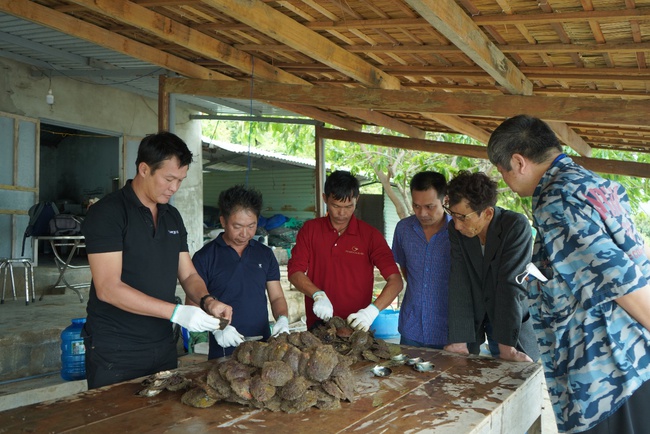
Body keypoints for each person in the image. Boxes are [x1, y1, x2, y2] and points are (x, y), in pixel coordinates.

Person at [487, 114, 650, 434]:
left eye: (502, 170)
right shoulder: (589, 183)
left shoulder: (556, 199)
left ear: (519, 162)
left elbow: (622, 283)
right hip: (632, 359)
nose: (504, 179)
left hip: (603, 378)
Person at [81, 131, 233, 389]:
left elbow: (188, 275)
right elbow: (108, 288)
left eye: (180, 180)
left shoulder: (171, 216)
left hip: (162, 343)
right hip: (117, 348)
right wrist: (176, 312)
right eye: (168, 178)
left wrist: (208, 301)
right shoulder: (107, 213)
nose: (174, 187)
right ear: (144, 169)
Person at [443, 171, 540, 363]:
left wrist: (506, 346)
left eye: (463, 217)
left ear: (487, 213)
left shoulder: (515, 226)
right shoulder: (457, 231)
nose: (456, 225)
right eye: (452, 215)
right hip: (474, 318)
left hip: (509, 319)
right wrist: (459, 339)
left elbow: (510, 284)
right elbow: (459, 279)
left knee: (515, 381)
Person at [288, 170, 403, 331]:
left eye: (349, 206)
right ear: (325, 199)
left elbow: (396, 281)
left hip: (357, 326)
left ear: (357, 200)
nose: (342, 213)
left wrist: (371, 312)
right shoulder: (310, 230)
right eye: (336, 206)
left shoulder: (370, 236)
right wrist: (317, 295)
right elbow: (295, 272)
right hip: (319, 326)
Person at [191, 185, 289, 359]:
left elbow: (277, 297)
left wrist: (282, 318)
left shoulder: (265, 254)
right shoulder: (204, 257)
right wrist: (218, 327)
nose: (245, 233)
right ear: (223, 221)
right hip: (223, 348)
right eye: (237, 226)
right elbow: (192, 304)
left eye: (251, 226)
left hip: (262, 347)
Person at [392, 171, 451, 349]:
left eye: (430, 206)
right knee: (408, 376)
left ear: (445, 200)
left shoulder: (458, 231)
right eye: (416, 206)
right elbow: (404, 268)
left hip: (448, 331)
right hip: (412, 327)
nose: (422, 213)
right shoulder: (403, 229)